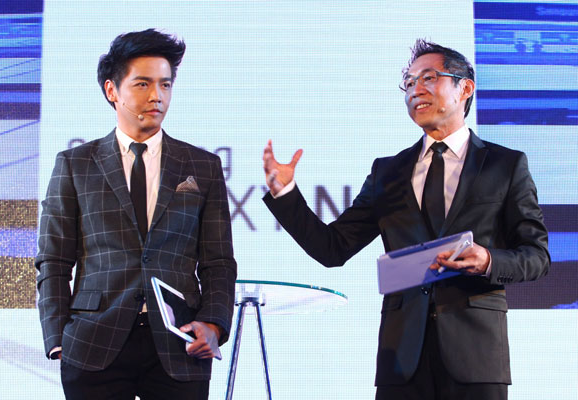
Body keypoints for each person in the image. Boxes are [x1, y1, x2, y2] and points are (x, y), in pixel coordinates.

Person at [262, 39, 549, 400]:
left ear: (465, 88)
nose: (415, 90)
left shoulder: (504, 165)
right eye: (409, 83)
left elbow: (537, 256)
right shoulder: (389, 172)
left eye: (428, 78)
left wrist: (489, 260)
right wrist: (285, 194)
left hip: (476, 357)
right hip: (401, 360)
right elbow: (332, 248)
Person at [36, 29, 237, 400]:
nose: (156, 95)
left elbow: (219, 262)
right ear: (112, 90)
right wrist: (57, 339)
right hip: (93, 343)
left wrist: (214, 323)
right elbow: (53, 260)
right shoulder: (75, 164)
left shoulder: (203, 166)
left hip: (180, 344)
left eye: (165, 84)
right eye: (143, 84)